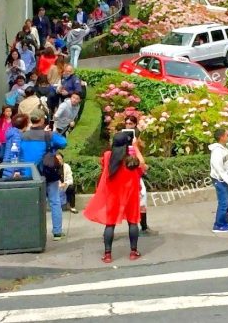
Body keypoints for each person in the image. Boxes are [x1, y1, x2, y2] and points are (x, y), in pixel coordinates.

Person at [83, 131, 148, 263]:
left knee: (110, 224)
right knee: (133, 222)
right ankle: (133, 252)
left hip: (113, 194)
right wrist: (135, 147)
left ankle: (107, 255)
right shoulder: (131, 157)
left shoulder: (108, 155)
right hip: (131, 193)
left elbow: (105, 166)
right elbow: (143, 165)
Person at [20, 109, 68, 240]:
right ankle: (57, 232)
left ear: (31, 120)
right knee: (54, 201)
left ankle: (33, 232)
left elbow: (20, 154)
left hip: (29, 174)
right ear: (42, 119)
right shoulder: (48, 135)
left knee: (32, 203)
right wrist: (52, 134)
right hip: (48, 172)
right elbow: (64, 143)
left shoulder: (23, 136)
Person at [209, 128, 228, 233]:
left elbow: (227, 165)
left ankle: (222, 222)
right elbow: (219, 169)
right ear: (221, 137)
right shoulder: (217, 151)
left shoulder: (223, 149)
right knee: (223, 203)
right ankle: (218, 225)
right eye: (227, 135)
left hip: (224, 179)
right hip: (220, 180)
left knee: (224, 202)